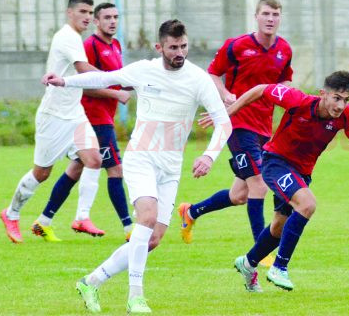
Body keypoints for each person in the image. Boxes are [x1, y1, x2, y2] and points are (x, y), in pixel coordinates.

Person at [42, 19, 232, 313]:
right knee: (146, 217)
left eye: (183, 46)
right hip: (141, 157)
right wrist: (65, 81)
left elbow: (224, 123)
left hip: (171, 167)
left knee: (152, 238)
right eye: (173, 47)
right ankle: (136, 297)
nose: (179, 52)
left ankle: (90, 282)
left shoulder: (198, 79)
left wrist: (209, 155)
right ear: (160, 47)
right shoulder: (144, 70)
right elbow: (104, 78)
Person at [198, 71, 349, 292]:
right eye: (337, 98)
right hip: (276, 163)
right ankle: (279, 267)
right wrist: (228, 112)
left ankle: (247, 263)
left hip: (302, 173)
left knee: (278, 228)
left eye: (346, 100)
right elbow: (262, 89)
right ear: (323, 94)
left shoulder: (346, 115)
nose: (341, 105)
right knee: (307, 204)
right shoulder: (298, 100)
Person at [177, 0, 293, 268]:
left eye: (275, 14)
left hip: (265, 127)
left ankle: (191, 212)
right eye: (266, 13)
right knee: (259, 184)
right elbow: (213, 74)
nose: (270, 18)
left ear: (280, 18)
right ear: (256, 16)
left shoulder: (284, 49)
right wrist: (226, 94)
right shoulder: (237, 45)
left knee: (240, 195)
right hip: (238, 123)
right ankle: (260, 250)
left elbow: (285, 79)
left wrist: (284, 95)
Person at [0, 0, 107, 243]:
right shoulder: (67, 37)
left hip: (74, 113)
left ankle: (82, 217)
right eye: (83, 12)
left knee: (93, 159)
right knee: (42, 173)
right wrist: (118, 77)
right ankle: (11, 213)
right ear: (70, 13)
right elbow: (83, 70)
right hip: (54, 115)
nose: (88, 17)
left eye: (91, 13)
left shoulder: (76, 38)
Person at [73, 2, 134, 240]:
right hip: (94, 117)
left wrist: (144, 82)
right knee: (115, 169)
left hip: (106, 116)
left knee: (75, 168)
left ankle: (45, 219)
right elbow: (86, 85)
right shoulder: (90, 46)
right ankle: (129, 228)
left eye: (116, 17)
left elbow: (116, 79)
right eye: (107, 17)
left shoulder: (115, 45)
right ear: (96, 21)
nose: (112, 21)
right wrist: (116, 94)